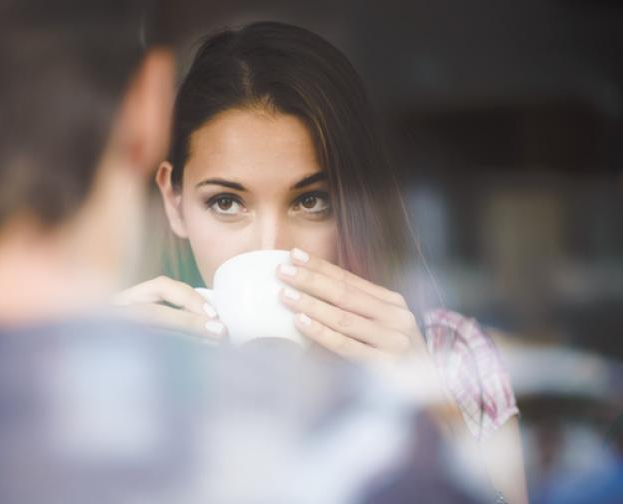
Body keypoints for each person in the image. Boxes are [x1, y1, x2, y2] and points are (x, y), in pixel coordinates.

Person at [114, 21, 527, 503]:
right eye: (227, 203)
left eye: (311, 201)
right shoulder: (132, 369)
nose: (269, 245)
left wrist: (420, 403)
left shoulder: (454, 360)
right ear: (173, 202)